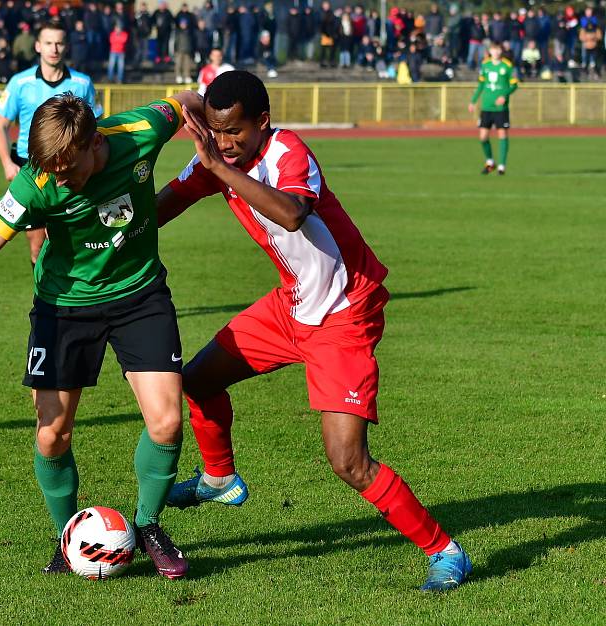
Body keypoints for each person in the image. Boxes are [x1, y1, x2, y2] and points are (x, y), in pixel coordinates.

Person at [155, 70, 473, 593]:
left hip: (344, 312)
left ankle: (445, 551)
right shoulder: (218, 157)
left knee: (348, 460)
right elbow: (162, 208)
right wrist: (103, 223)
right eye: (216, 130)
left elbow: (293, 212)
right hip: (293, 304)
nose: (225, 142)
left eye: (235, 131)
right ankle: (219, 480)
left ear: (263, 121)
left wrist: (217, 167)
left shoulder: (287, 152)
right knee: (199, 381)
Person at [0, 89, 203, 579]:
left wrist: (215, 134)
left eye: (66, 169)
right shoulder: (35, 182)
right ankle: (69, 540)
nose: (58, 179)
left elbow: (188, 100)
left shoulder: (140, 130)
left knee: (167, 422)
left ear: (92, 142)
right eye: (50, 171)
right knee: (51, 434)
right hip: (64, 309)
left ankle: (147, 525)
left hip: (139, 296)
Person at [0, 20, 101, 267]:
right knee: (37, 243)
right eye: (49, 43)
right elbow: (0, 126)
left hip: (72, 168)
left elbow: (97, 126)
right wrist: (7, 163)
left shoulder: (82, 84)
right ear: (38, 46)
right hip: (31, 167)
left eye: (60, 43)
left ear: (67, 46)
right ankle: (44, 298)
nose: (54, 48)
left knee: (72, 240)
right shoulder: (20, 83)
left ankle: (76, 297)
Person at [468, 42, 518, 175]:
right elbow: (481, 85)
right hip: (486, 107)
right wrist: (473, 101)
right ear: (490, 51)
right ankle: (490, 162)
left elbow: (514, 85)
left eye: (497, 50)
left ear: (500, 51)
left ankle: (502, 166)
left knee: (502, 135)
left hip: (501, 108)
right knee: (483, 137)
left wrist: (504, 95)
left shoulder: (507, 66)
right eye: (493, 50)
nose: (495, 52)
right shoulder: (485, 65)